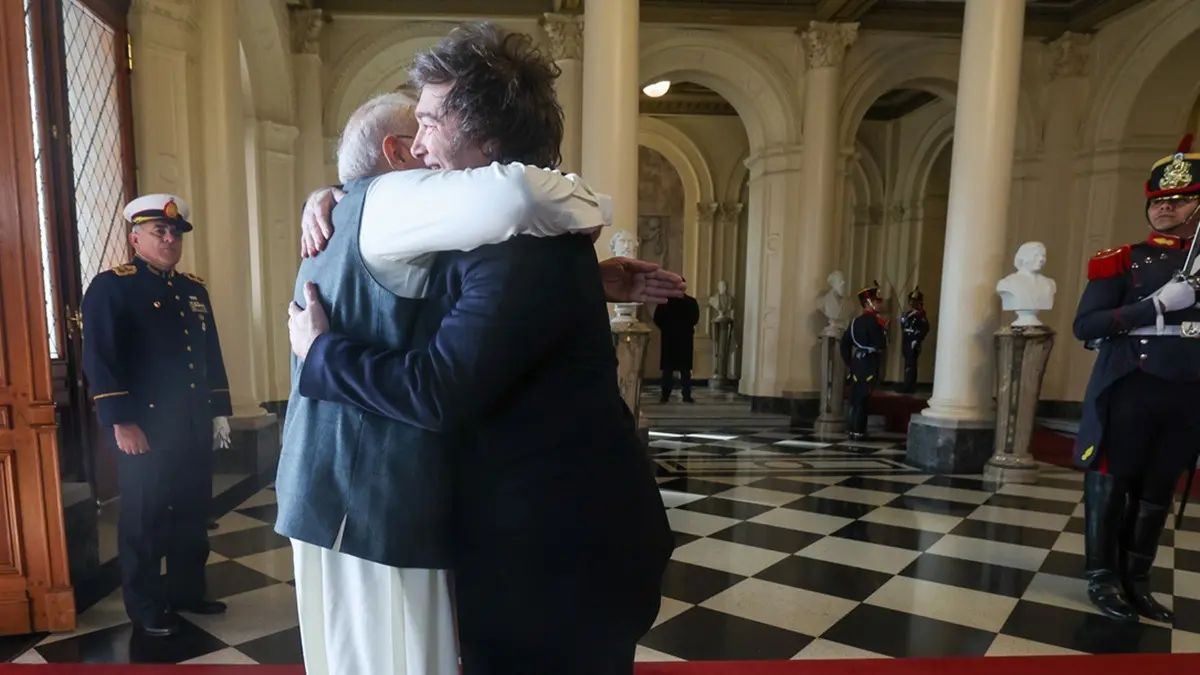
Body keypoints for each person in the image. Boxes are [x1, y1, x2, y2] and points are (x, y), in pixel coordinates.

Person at [288, 24, 679, 675]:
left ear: (486, 136)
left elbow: (441, 389)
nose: (416, 145)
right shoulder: (505, 234)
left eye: (431, 122)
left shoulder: (518, 239)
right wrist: (339, 194)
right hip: (547, 541)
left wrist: (322, 355)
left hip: (559, 555)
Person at [81, 194, 231, 637]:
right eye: (158, 232)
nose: (169, 238)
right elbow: (99, 359)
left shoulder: (192, 289)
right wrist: (119, 421)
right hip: (141, 426)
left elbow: (210, 356)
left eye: (174, 233)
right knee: (144, 517)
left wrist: (219, 411)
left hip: (189, 424)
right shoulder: (112, 287)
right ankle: (145, 604)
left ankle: (187, 590)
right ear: (135, 238)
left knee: (190, 510)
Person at [1074, 133, 1200, 623]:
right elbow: (1086, 325)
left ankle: (1137, 577)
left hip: (1187, 392)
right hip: (1131, 383)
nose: (1166, 209)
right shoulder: (1122, 260)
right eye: (1159, 201)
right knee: (1114, 479)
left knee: (1158, 487)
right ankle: (1102, 576)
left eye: (1181, 199)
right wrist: (1153, 306)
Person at [840, 281, 888, 439]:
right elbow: (881, 345)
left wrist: (849, 362)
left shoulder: (854, 322)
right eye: (877, 301)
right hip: (869, 363)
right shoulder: (875, 322)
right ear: (869, 303)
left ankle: (852, 428)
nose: (879, 304)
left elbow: (844, 343)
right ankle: (859, 430)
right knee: (863, 399)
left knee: (855, 398)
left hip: (856, 363)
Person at [654, 289, 700, 402]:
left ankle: (686, 394)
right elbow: (657, 318)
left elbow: (695, 318)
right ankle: (666, 394)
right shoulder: (665, 301)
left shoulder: (690, 302)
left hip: (683, 338)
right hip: (671, 338)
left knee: (684, 370)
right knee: (668, 370)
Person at [898, 287, 929, 393]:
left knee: (911, 364)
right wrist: (902, 321)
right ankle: (906, 383)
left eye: (914, 301)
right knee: (907, 363)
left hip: (913, 341)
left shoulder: (920, 315)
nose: (912, 303)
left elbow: (925, 328)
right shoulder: (908, 314)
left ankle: (910, 386)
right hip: (906, 340)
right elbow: (904, 327)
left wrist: (917, 339)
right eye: (911, 300)